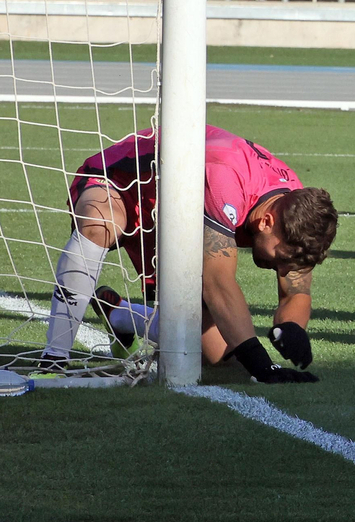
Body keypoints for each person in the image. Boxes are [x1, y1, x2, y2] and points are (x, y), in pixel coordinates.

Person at [43, 125, 339, 383]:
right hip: (125, 182)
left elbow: (296, 291)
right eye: (283, 259)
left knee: (217, 356)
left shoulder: (296, 212)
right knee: (100, 224)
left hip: (178, 216)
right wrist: (264, 366)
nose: (284, 270)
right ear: (266, 222)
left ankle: (119, 315)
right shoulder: (225, 182)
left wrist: (292, 328)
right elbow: (217, 283)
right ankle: (53, 359)